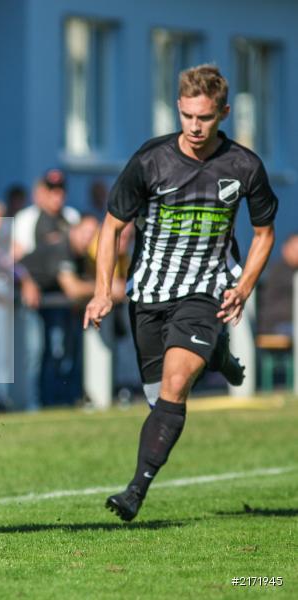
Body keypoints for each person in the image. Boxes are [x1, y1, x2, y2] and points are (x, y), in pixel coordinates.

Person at [84, 65, 277, 522]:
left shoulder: (244, 166)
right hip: (149, 293)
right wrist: (102, 291)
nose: (194, 127)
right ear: (178, 109)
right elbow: (112, 227)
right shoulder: (151, 160)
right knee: (160, 402)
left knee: (174, 388)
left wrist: (243, 287)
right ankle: (216, 355)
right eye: (188, 116)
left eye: (205, 117)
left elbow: (264, 233)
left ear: (223, 114)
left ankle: (134, 492)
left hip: (206, 291)